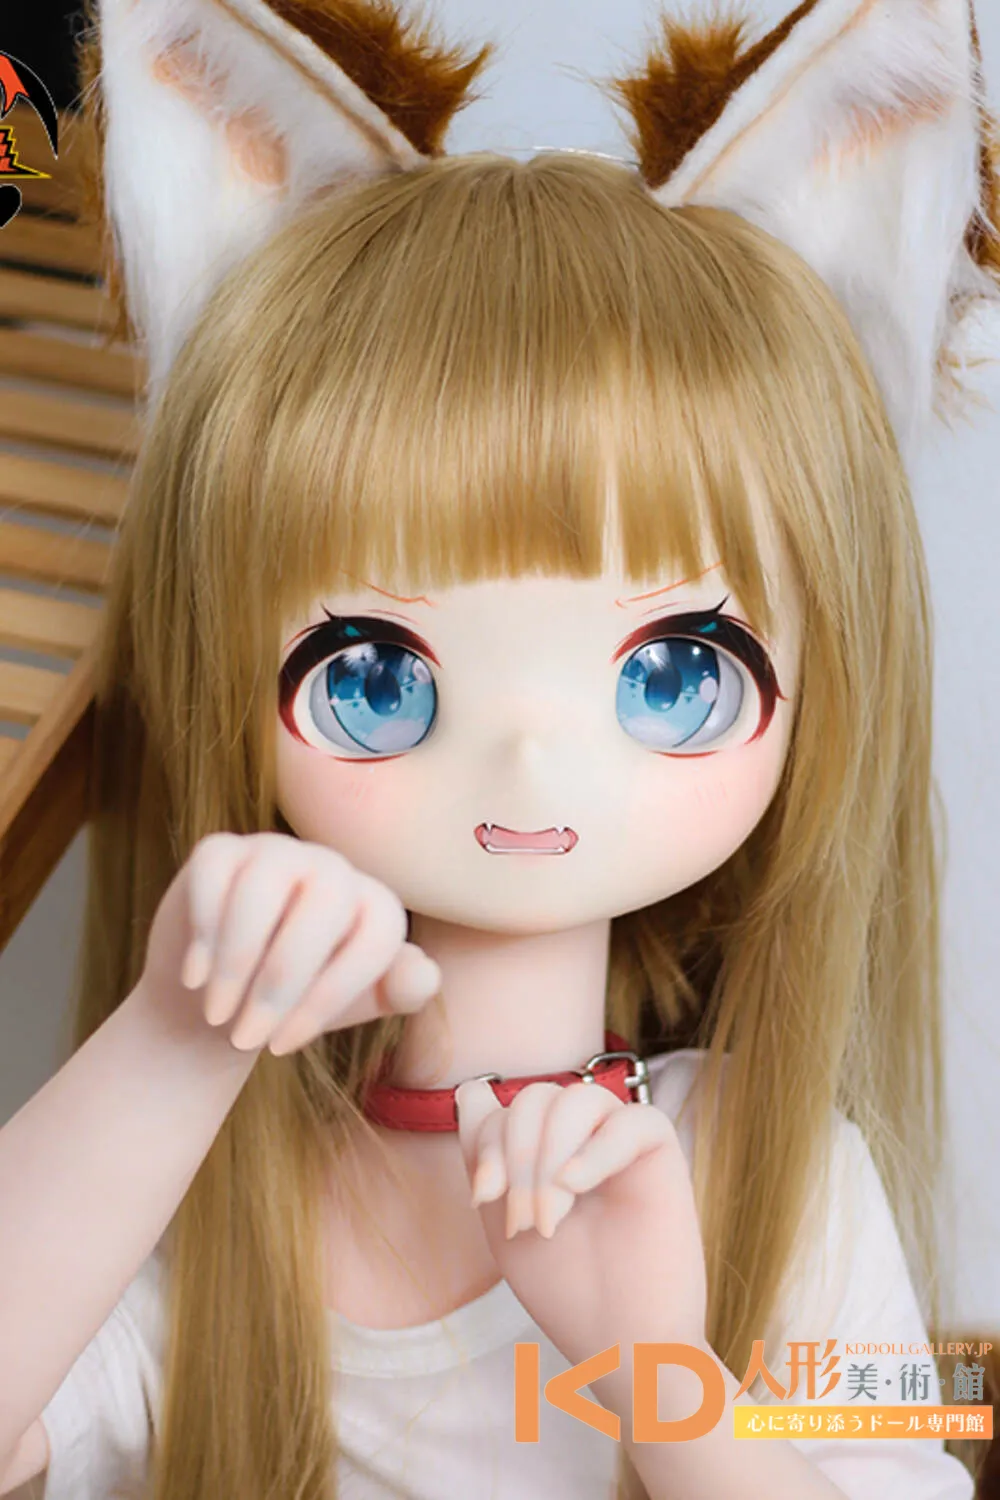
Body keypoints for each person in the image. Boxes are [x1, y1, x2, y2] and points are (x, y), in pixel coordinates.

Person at [0, 0, 994, 1496]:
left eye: (673, 675)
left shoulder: (774, 1166)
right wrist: (170, 1046)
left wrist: (661, 1386)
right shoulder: (204, 1192)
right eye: (374, 676)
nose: (528, 763)